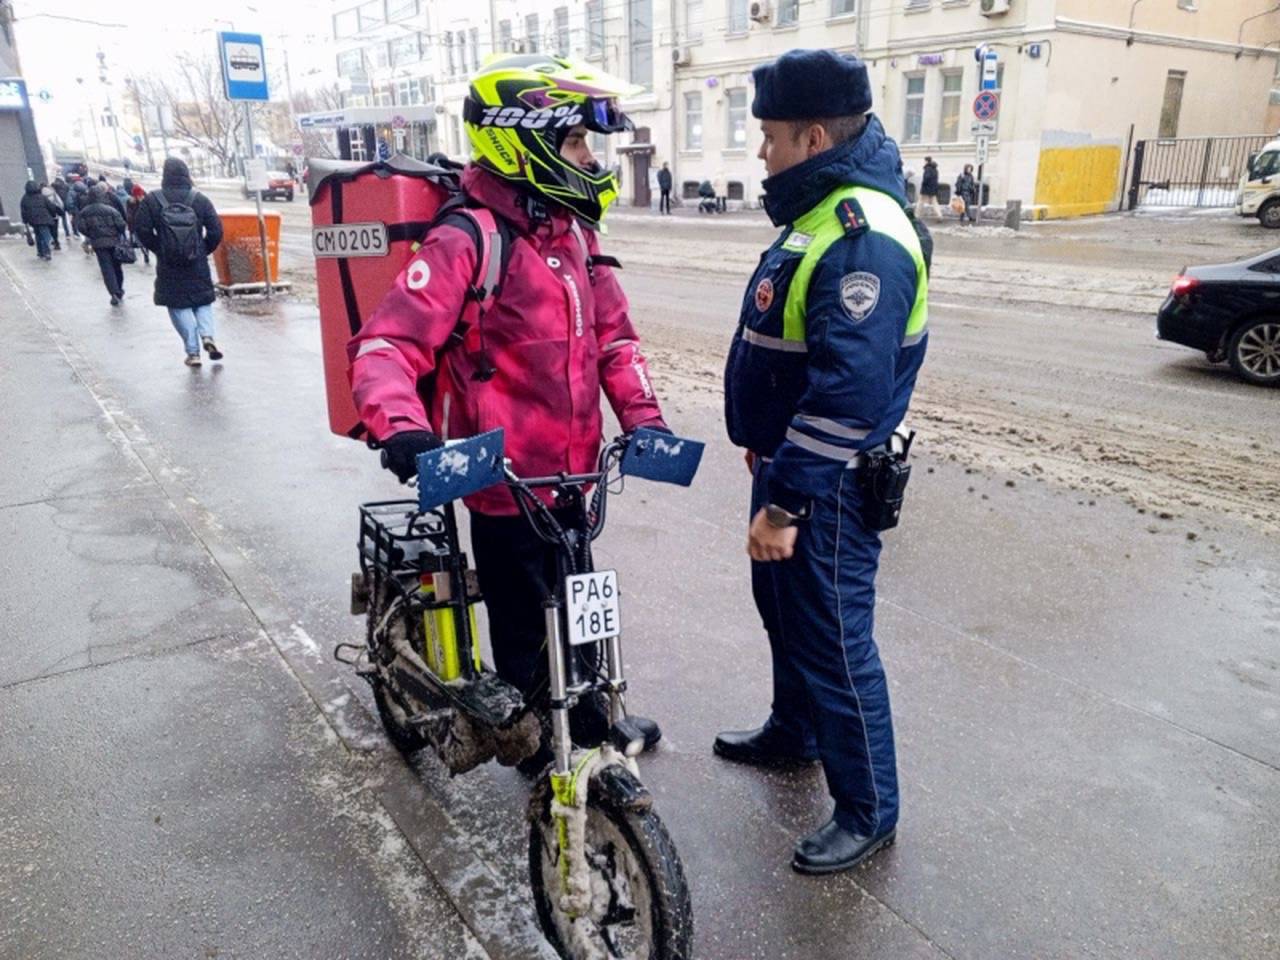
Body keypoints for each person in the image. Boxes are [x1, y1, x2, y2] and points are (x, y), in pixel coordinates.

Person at [347, 54, 669, 762]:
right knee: (524, 630)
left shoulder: (576, 237)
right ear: (524, 143)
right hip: (502, 486)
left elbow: (616, 341)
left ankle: (585, 718)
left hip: (576, 481)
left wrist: (644, 420)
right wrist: (403, 429)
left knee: (583, 607)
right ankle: (537, 745)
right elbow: (385, 347)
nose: (591, 158)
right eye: (577, 142)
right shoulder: (469, 240)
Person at [720, 49, 929, 876]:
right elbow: (794, 346)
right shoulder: (823, 212)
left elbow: (847, 396)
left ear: (812, 136)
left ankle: (869, 806)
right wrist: (766, 442)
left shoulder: (861, 235)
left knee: (837, 641)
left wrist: (786, 505)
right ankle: (794, 732)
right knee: (786, 612)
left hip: (827, 486)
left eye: (770, 137)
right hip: (790, 467)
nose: (762, 152)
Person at [133, 158, 225, 366]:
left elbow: (142, 229)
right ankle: (207, 335)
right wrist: (202, 249)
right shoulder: (199, 199)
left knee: (178, 305)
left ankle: (193, 353)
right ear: (186, 175)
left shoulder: (153, 200)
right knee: (202, 301)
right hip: (196, 262)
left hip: (169, 265)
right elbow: (216, 231)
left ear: (165, 175)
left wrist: (160, 248)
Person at [74, 183, 128, 304]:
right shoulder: (111, 210)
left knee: (106, 268)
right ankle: (119, 289)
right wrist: (117, 233)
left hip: (98, 244)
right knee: (117, 267)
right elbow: (121, 225)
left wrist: (91, 234)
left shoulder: (85, 212)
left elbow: (81, 227)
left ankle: (113, 293)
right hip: (114, 242)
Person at [19, 180, 59, 261]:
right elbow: (51, 206)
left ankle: (40, 252)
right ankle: (46, 252)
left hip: (33, 220)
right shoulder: (41, 196)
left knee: (38, 235)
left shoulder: (24, 198)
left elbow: (23, 211)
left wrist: (25, 220)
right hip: (44, 218)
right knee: (46, 236)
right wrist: (53, 214)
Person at [40, 182, 64, 250]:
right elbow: (60, 202)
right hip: (55, 214)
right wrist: (60, 209)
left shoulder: (40, 195)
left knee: (49, 229)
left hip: (47, 215)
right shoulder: (53, 192)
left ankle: (51, 240)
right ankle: (56, 242)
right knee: (55, 229)